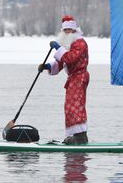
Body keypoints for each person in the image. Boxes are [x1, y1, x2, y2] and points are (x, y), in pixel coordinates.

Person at [38, 15, 90, 144]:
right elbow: (61, 62)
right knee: (69, 106)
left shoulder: (80, 43)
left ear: (74, 30)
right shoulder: (69, 43)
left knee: (76, 105)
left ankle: (81, 136)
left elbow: (70, 58)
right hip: (73, 78)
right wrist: (47, 66)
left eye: (69, 30)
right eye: (65, 30)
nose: (67, 32)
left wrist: (57, 48)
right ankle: (76, 134)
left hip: (80, 76)